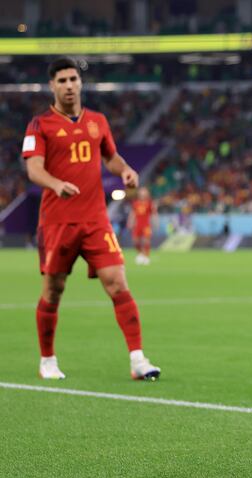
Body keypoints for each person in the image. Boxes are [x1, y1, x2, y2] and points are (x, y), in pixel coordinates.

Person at [22, 57, 160, 381]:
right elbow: (33, 168)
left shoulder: (98, 121)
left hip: (96, 220)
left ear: (80, 83)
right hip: (57, 221)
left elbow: (111, 158)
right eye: (62, 81)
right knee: (53, 290)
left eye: (73, 79)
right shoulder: (39, 125)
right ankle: (47, 360)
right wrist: (56, 184)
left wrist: (125, 170)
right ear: (52, 86)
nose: (69, 85)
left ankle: (138, 360)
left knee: (117, 282)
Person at [128, 187, 157, 265]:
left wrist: (155, 222)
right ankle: (141, 254)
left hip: (146, 225)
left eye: (144, 192)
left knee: (146, 241)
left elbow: (154, 214)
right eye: (141, 192)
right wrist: (130, 222)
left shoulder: (150, 203)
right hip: (137, 225)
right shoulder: (135, 203)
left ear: (147, 193)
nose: (143, 194)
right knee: (135, 241)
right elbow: (133, 213)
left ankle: (146, 256)